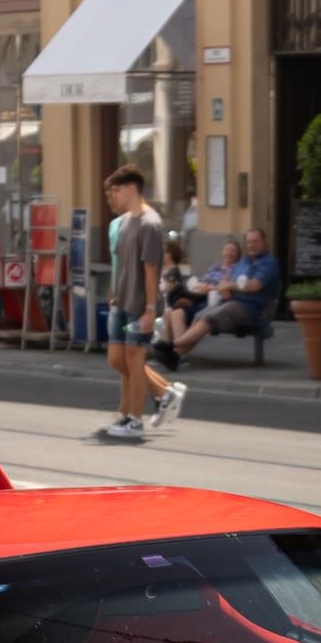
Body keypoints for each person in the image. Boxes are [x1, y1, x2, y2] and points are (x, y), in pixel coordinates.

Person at [97, 162, 184, 442]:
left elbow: (150, 272)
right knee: (117, 359)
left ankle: (134, 419)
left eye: (117, 191)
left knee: (134, 362)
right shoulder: (125, 223)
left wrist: (149, 310)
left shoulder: (150, 223)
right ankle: (163, 392)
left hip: (140, 304)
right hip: (121, 302)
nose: (114, 197)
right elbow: (120, 264)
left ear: (132, 189)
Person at [172, 227, 283, 356]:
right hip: (229, 301)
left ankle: (172, 346)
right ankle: (175, 355)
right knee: (200, 315)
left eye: (255, 241)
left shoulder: (268, 263)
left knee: (209, 318)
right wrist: (225, 288)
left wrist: (230, 286)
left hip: (249, 307)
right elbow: (227, 280)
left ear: (264, 243)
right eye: (249, 242)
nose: (251, 245)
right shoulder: (244, 261)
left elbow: (255, 285)